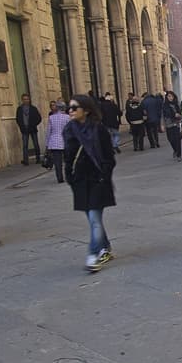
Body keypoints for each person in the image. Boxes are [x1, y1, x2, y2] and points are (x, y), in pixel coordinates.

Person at [63, 94, 117, 272]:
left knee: (95, 219)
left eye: (74, 107)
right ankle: (105, 247)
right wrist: (69, 176)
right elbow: (68, 157)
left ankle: (93, 255)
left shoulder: (98, 130)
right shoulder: (69, 130)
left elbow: (109, 157)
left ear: (85, 110)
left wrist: (104, 176)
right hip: (79, 181)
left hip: (97, 179)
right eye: (69, 108)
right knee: (93, 220)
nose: (70, 111)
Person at [15, 93, 43, 165]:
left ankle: (38, 158)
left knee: (36, 144)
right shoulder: (19, 109)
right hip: (24, 129)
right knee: (25, 145)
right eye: (24, 99)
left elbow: (39, 118)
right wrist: (21, 126)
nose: (26, 101)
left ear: (29, 100)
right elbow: (18, 119)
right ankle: (25, 160)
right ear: (22, 100)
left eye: (27, 99)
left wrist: (34, 124)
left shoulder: (33, 108)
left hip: (32, 128)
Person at [45, 101, 69, 183]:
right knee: (68, 160)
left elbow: (49, 132)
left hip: (54, 141)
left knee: (57, 162)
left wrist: (47, 144)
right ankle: (68, 175)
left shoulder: (51, 117)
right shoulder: (67, 117)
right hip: (65, 141)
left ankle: (60, 178)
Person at [162, 91, 182, 161]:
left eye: (172, 96)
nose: (170, 98)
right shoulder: (164, 105)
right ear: (167, 97)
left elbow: (181, 112)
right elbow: (162, 116)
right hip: (169, 124)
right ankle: (175, 150)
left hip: (177, 124)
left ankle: (179, 155)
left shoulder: (177, 104)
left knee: (177, 140)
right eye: (169, 96)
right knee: (170, 139)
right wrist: (162, 125)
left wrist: (179, 116)